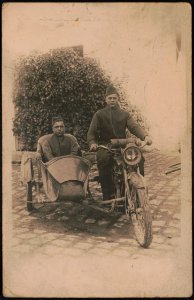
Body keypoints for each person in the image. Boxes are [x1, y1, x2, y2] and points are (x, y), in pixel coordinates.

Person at [87, 85, 152, 200]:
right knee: (103, 161)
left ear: (118, 99)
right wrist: (92, 143)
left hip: (123, 145)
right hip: (105, 145)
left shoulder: (124, 114)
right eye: (110, 98)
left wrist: (145, 136)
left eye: (114, 98)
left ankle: (137, 189)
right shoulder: (99, 114)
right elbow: (91, 132)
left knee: (139, 158)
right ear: (106, 99)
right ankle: (108, 195)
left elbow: (134, 127)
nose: (112, 100)